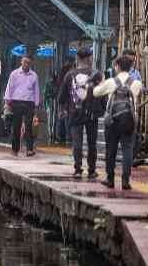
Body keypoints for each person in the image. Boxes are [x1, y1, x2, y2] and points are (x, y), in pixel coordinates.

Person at [94, 55, 143, 190]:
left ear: (117, 66)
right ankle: (125, 181)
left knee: (111, 149)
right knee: (127, 149)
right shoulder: (137, 83)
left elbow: (95, 93)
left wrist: (100, 83)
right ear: (131, 67)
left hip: (112, 121)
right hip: (129, 121)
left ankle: (110, 179)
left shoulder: (111, 82)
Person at [58, 48, 104, 180]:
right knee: (92, 143)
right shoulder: (97, 75)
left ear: (77, 59)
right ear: (89, 58)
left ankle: (78, 169)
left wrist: (63, 110)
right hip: (92, 113)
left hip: (75, 113)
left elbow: (62, 96)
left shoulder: (69, 75)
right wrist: (101, 109)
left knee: (77, 143)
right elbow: (102, 95)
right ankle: (91, 170)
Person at [3, 54, 41, 157]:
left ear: (31, 63)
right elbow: (9, 87)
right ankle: (15, 149)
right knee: (16, 126)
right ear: (21, 62)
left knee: (29, 126)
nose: (26, 64)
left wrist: (36, 105)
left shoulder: (34, 76)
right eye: (24, 62)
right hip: (16, 102)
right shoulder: (14, 74)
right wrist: (7, 101)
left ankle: (29, 149)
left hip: (29, 103)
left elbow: (36, 91)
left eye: (28, 62)